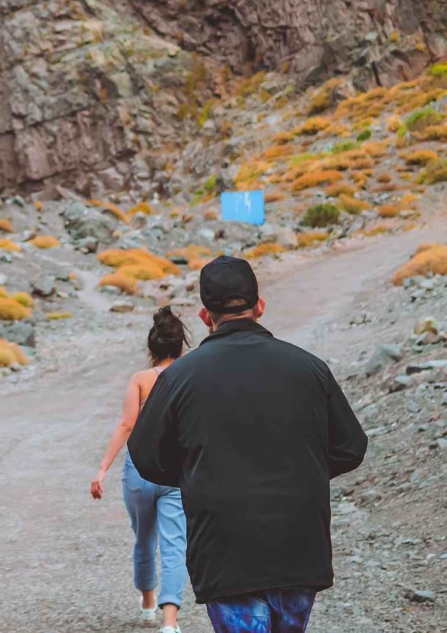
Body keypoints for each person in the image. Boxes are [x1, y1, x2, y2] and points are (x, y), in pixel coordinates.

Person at [127, 256, 367, 633]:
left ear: (205, 316)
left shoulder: (178, 378)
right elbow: (351, 447)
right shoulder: (309, 367)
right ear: (259, 306)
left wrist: (197, 473)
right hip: (299, 548)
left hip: (225, 550)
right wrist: (304, 469)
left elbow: (144, 455)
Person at [90, 307, 192, 633]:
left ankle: (148, 603)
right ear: (181, 347)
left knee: (144, 540)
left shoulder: (140, 379)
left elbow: (126, 424)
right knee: (174, 544)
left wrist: (102, 469)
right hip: (176, 471)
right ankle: (170, 622)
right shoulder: (190, 375)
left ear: (152, 350)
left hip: (138, 471)